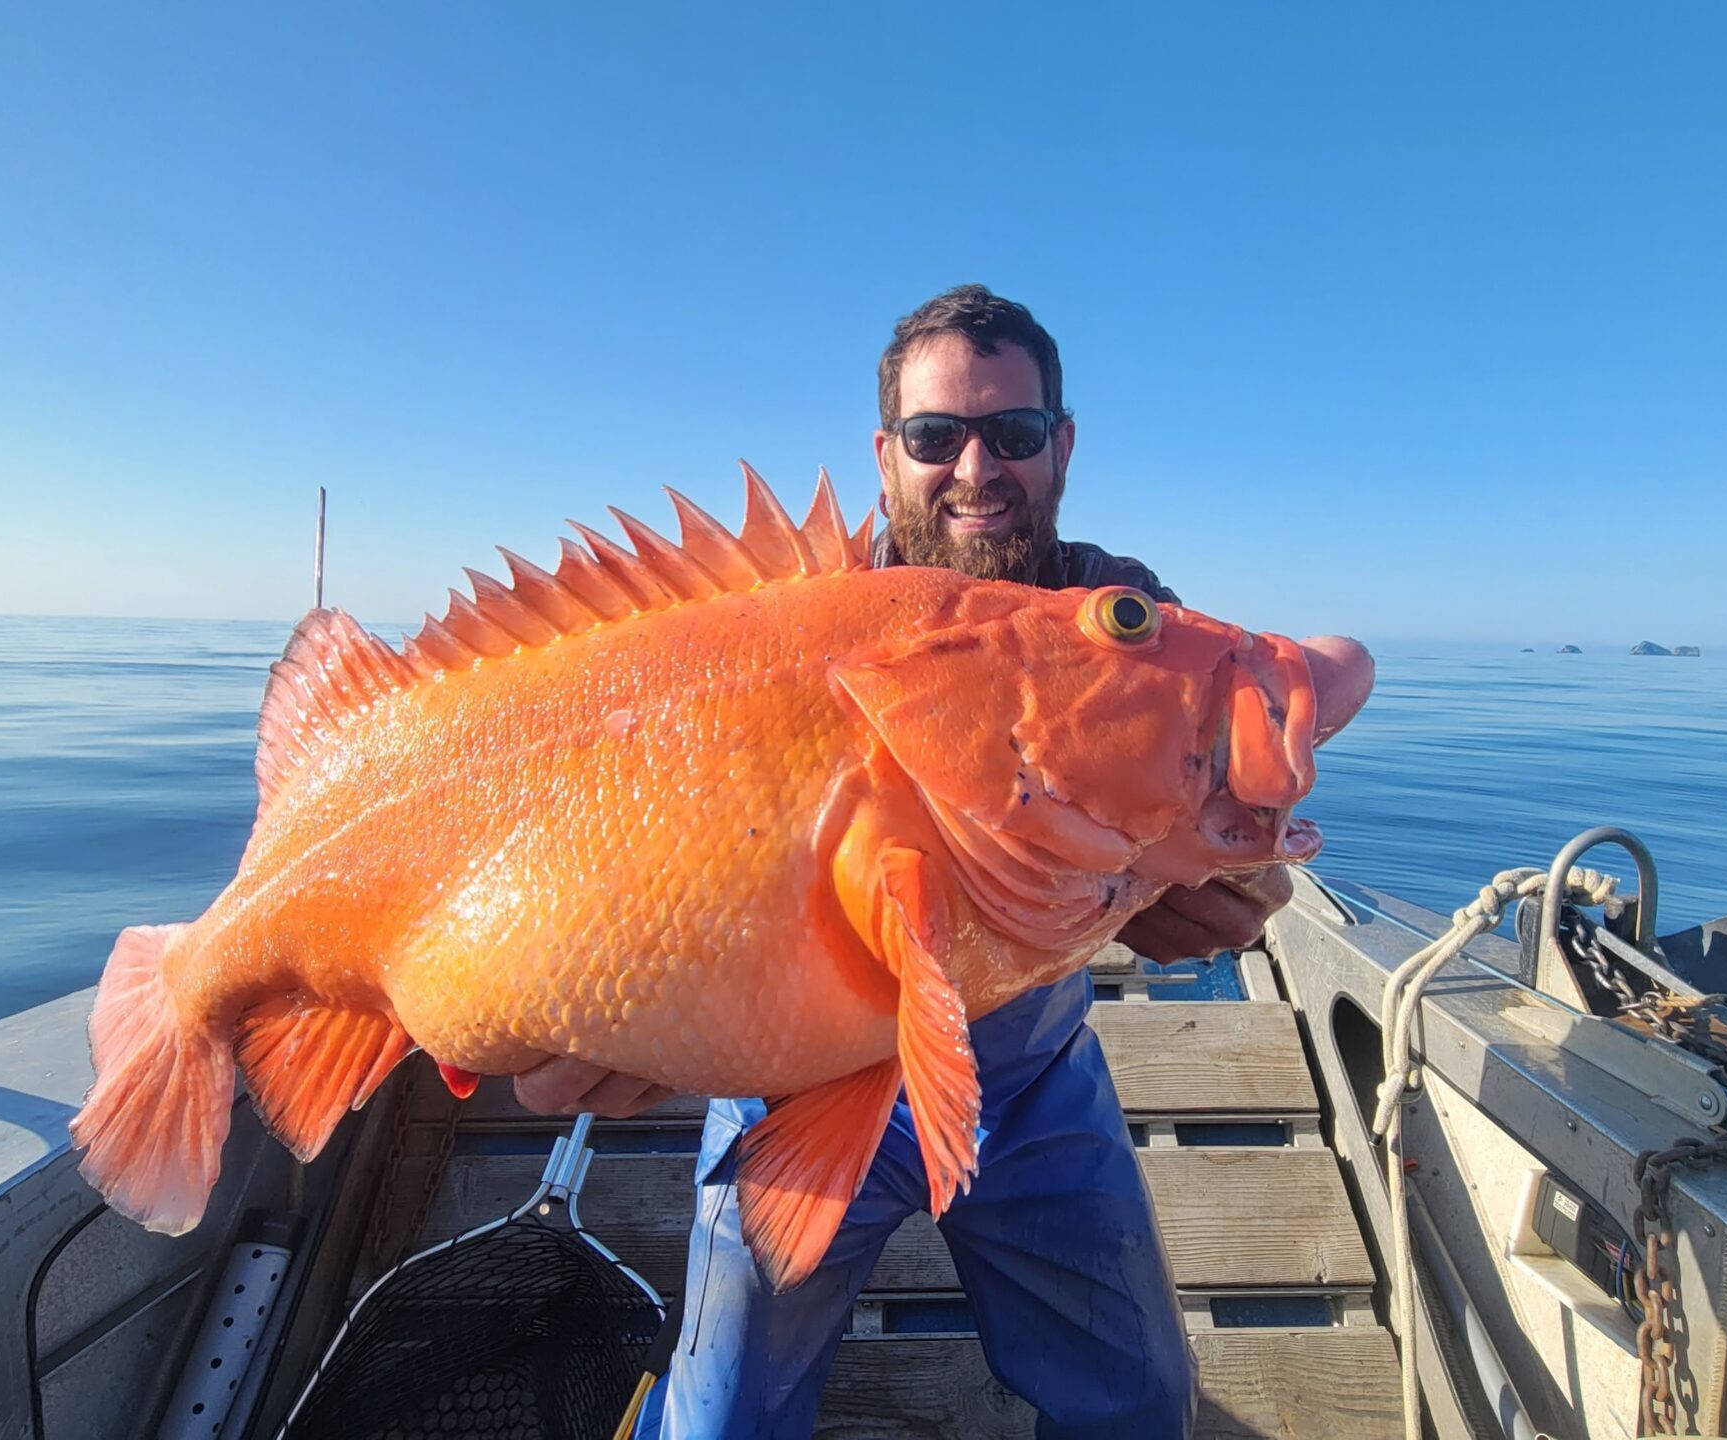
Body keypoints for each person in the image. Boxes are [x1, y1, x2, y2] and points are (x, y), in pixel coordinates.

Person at [516, 285, 1374, 1438]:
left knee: (1143, 1406)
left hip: (1028, 1081)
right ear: (885, 456)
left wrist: (1208, 879)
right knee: (717, 1420)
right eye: (936, 437)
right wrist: (645, 989)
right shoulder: (787, 615)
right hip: (795, 1081)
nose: (977, 468)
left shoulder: (1106, 612)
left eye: (1014, 433)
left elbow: (1311, 673)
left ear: (1061, 447)